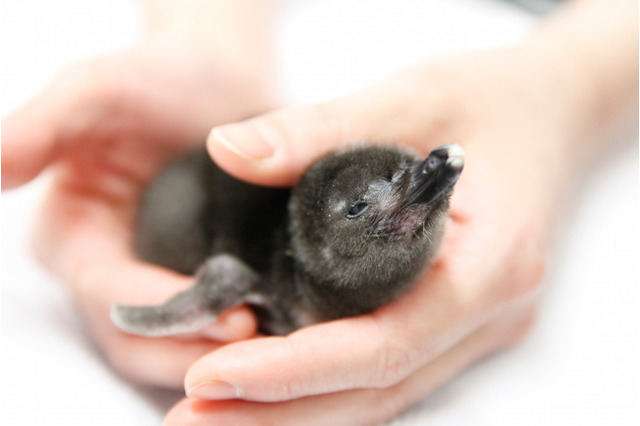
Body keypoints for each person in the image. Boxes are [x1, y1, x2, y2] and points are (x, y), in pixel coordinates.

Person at [1, 0, 636, 424]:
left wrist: (566, 83)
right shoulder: (295, 256)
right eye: (366, 203)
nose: (421, 184)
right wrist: (207, 33)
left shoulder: (349, 252)